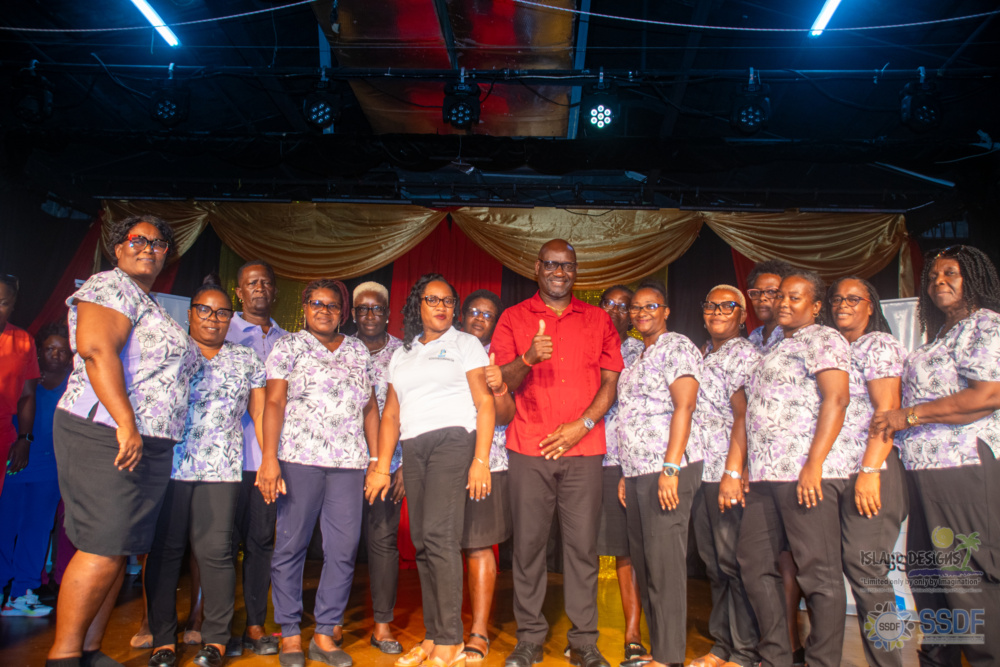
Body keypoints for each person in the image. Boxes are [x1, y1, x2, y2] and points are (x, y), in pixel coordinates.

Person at [48, 215, 203, 667]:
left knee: (117, 548)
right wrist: (126, 422)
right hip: (107, 432)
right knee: (102, 545)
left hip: (147, 441)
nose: (148, 248)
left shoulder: (147, 303)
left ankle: (89, 650)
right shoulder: (108, 285)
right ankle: (63, 656)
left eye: (158, 244)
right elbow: (96, 350)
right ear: (117, 248)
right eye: (138, 240)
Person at [490, 240, 623, 667]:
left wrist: (582, 424)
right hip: (529, 448)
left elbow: (610, 383)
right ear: (537, 268)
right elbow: (502, 381)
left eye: (567, 265)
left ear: (576, 271)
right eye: (551, 264)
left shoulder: (599, 319)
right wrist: (528, 358)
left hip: (584, 450)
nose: (559, 272)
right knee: (529, 548)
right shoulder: (514, 318)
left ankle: (583, 642)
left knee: (582, 549)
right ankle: (529, 639)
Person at [871, 245, 1000, 667]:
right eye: (932, 276)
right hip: (925, 470)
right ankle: (939, 658)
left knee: (967, 576)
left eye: (950, 273)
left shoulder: (986, 325)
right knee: (928, 574)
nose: (938, 281)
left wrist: (908, 415)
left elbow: (987, 395)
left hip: (963, 466)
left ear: (973, 279)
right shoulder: (943, 333)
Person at [364, 274, 494, 667]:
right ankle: (434, 635)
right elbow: (391, 414)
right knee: (422, 540)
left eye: (448, 301)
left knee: (441, 537)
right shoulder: (402, 354)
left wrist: (481, 461)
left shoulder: (465, 344)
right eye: (433, 300)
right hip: (413, 445)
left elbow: (485, 403)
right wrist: (381, 466)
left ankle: (451, 641)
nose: (441, 307)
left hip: (453, 441)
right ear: (417, 305)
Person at [144, 282, 267, 667]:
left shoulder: (246, 359)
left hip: (221, 467)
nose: (213, 318)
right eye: (205, 310)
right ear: (189, 313)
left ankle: (215, 640)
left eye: (222, 312)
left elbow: (260, 413)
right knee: (166, 552)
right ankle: (163, 640)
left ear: (231, 318)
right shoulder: (171, 351)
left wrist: (269, 460)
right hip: (170, 463)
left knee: (216, 553)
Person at [261, 279, 379, 667]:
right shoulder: (288, 347)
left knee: (343, 549)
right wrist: (269, 457)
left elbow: (370, 409)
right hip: (299, 459)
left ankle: (326, 633)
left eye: (332, 305)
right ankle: (290, 633)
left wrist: (376, 459)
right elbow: (274, 403)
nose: (324, 311)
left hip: (348, 465)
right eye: (316, 303)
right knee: (291, 545)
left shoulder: (358, 351)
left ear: (343, 313)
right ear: (305, 308)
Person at [738, 269, 851, 667]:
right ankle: (778, 657)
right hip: (765, 475)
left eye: (795, 297)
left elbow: (836, 400)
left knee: (818, 573)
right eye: (781, 296)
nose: (783, 302)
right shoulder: (774, 346)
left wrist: (813, 464)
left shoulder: (824, 339)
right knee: (754, 563)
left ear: (816, 306)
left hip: (805, 474)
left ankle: (822, 661)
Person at [615, 281, 702, 667]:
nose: (641, 313)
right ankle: (659, 648)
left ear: (666, 311)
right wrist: (626, 471)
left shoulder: (677, 346)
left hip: (668, 469)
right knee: (647, 562)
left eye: (651, 306)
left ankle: (669, 657)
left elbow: (685, 406)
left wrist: (671, 467)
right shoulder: (638, 355)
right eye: (636, 307)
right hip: (638, 471)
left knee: (665, 565)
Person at [826, 276, 908, 667]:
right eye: (837, 298)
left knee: (867, 569)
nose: (843, 304)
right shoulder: (833, 349)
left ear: (870, 306)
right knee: (850, 568)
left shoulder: (879, 345)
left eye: (853, 298)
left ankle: (889, 662)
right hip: (838, 473)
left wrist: (870, 469)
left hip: (873, 470)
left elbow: (887, 411)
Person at [689, 286, 761, 667]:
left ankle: (745, 651)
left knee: (733, 563)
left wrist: (733, 471)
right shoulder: (704, 354)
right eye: (711, 305)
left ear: (742, 316)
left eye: (727, 306)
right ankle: (722, 645)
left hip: (725, 474)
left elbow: (744, 416)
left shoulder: (743, 355)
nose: (717, 311)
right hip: (701, 472)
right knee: (714, 564)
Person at [744, 259, 805, 665]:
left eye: (774, 292)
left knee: (794, 559)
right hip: (757, 466)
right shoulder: (751, 340)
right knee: (760, 559)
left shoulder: (800, 336)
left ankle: (795, 644)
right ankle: (774, 645)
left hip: (795, 465)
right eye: (759, 292)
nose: (767, 298)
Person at [226, 259, 287, 656]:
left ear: (274, 291)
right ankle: (212, 628)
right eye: (251, 283)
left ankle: (254, 624)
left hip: (269, 460)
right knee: (220, 545)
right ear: (239, 292)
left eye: (265, 282)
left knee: (261, 542)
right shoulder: (221, 328)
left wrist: (274, 458)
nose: (259, 288)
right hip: (224, 459)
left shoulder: (289, 340)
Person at [459, 289, 516, 664]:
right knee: (443, 547)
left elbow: (507, 415)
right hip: (443, 462)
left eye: (488, 314)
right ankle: (445, 629)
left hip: (488, 463)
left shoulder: (499, 356)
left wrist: (498, 383)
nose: (480, 318)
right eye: (475, 312)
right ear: (462, 315)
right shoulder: (443, 349)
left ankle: (479, 631)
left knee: (479, 546)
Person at [0, 322, 70, 617]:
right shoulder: (26, 379)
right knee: (5, 527)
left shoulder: (75, 384)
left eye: (62, 350)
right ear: (39, 352)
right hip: (17, 463)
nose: (55, 354)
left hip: (51, 469)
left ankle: (22, 593)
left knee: (38, 530)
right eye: (49, 348)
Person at [353, 281, 405, 655]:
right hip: (341, 462)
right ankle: (330, 622)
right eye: (363, 308)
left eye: (377, 308)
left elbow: (416, 411)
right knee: (339, 544)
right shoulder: (340, 349)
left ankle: (382, 625)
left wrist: (406, 466)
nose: (370, 315)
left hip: (391, 464)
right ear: (353, 313)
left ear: (388, 314)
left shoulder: (405, 354)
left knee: (383, 542)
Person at [595, 285, 646, 661]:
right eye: (609, 303)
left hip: (618, 461)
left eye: (623, 306)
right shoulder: (583, 343)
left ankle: (632, 632)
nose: (615, 310)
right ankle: (583, 634)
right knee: (581, 548)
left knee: (626, 551)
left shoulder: (638, 352)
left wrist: (630, 467)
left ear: (632, 315)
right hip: (581, 457)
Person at [0, 273, 39, 500]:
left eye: (3, 303)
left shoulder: (23, 341)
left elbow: (27, 395)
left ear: (13, 305)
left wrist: (25, 439)